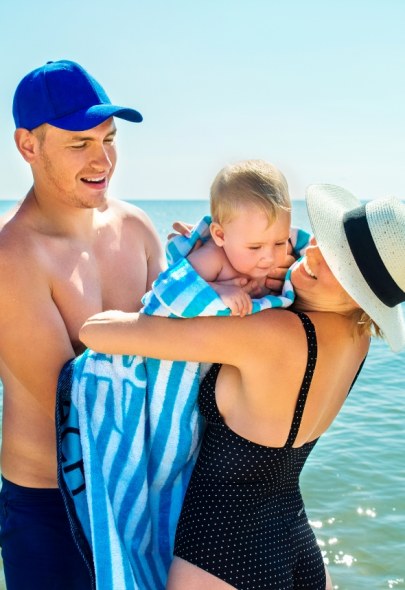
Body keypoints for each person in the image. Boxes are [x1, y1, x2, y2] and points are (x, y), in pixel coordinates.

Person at [80, 184, 405, 590]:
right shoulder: (356, 340)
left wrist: (199, 274)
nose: (312, 255)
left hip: (221, 553)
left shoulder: (270, 333)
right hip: (296, 542)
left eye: (339, 263)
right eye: (326, 242)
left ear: (362, 295)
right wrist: (227, 258)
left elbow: (97, 332)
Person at [0, 60, 165, 590]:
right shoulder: (12, 257)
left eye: (110, 138)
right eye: (79, 144)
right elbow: (77, 404)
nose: (103, 160)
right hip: (51, 509)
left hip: (148, 488)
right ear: (28, 146)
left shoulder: (136, 227)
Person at [186, 159, 292, 317]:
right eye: (255, 247)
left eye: (279, 243)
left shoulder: (286, 252)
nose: (269, 258)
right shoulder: (213, 258)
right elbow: (177, 286)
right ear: (220, 235)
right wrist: (218, 290)